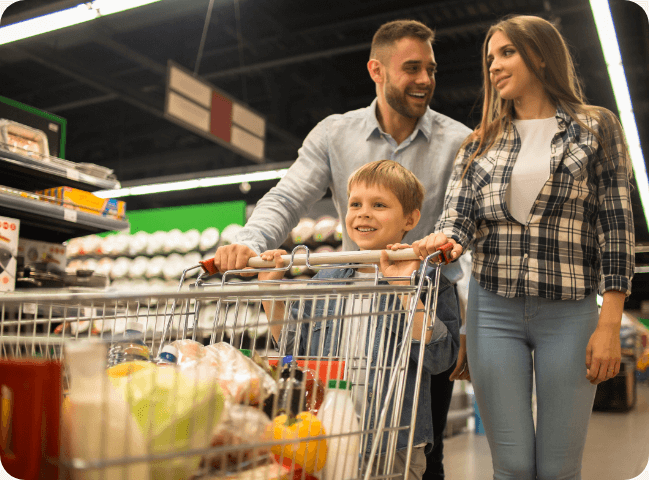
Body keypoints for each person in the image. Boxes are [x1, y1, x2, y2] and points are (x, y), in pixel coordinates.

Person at [212, 19, 472, 479]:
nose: (425, 80)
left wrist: (466, 321)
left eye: (430, 69)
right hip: (347, 299)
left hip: (421, 304)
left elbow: (464, 225)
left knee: (422, 452)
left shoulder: (458, 141)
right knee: (340, 447)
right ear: (377, 70)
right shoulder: (335, 134)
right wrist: (248, 245)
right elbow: (288, 197)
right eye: (411, 68)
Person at [412, 15, 635, 480]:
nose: (494, 65)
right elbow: (458, 216)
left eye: (507, 52)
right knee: (510, 465)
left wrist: (610, 321)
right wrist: (445, 238)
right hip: (494, 313)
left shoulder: (596, 127)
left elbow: (615, 225)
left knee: (558, 467)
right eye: (490, 57)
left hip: (571, 312)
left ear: (540, 54)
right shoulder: (479, 143)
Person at [258, 160, 460, 480]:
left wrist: (405, 289)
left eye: (379, 205)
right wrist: (269, 291)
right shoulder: (325, 280)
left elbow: (440, 359)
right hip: (329, 433)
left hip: (395, 441)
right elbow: (297, 350)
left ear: (411, 218)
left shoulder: (430, 279)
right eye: (355, 204)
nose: (363, 213)